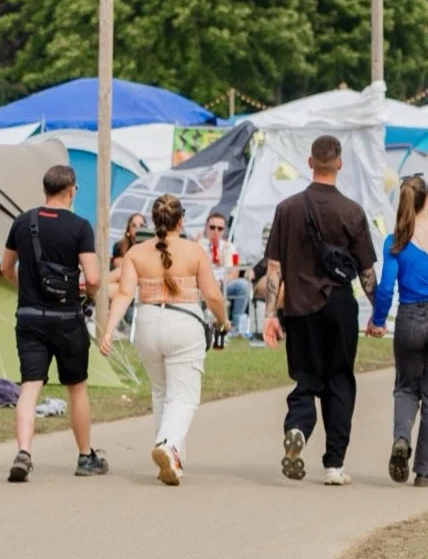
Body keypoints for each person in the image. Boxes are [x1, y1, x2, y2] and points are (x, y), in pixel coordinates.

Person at [262, 136, 377, 486]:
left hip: (299, 307)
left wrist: (269, 314)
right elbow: (367, 272)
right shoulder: (352, 212)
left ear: (310, 163)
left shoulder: (287, 208)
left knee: (306, 377)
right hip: (340, 304)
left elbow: (274, 268)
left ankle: (297, 427)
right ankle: (334, 465)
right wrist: (378, 312)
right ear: (339, 164)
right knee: (339, 379)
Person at [99, 195, 229, 484]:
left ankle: (173, 460)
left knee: (161, 392)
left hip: (147, 323)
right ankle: (168, 445)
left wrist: (108, 330)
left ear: (154, 220)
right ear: (180, 221)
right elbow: (212, 295)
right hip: (183, 323)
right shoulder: (194, 251)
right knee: (183, 396)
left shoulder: (136, 253)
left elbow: (123, 293)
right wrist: (223, 321)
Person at [0, 164, 107, 482]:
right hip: (67, 318)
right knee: (76, 388)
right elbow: (95, 277)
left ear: (45, 188)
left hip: (29, 316)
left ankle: (24, 452)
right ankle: (86, 457)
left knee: (30, 387)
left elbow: (5, 267)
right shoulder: (79, 226)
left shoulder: (23, 221)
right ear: (71, 189)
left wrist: (26, 289)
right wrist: (89, 293)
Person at [368, 175, 428, 487]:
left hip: (410, 318)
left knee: (405, 387)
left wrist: (377, 319)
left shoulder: (395, 240)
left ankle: (401, 439)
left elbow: (385, 288)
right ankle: (426, 471)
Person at [202, 212, 251, 346]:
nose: (216, 231)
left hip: (225, 283)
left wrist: (222, 282)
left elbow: (234, 271)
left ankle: (235, 326)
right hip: (204, 285)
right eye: (212, 227)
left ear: (224, 230)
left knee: (243, 285)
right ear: (206, 227)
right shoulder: (198, 246)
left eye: (220, 228)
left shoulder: (231, 248)